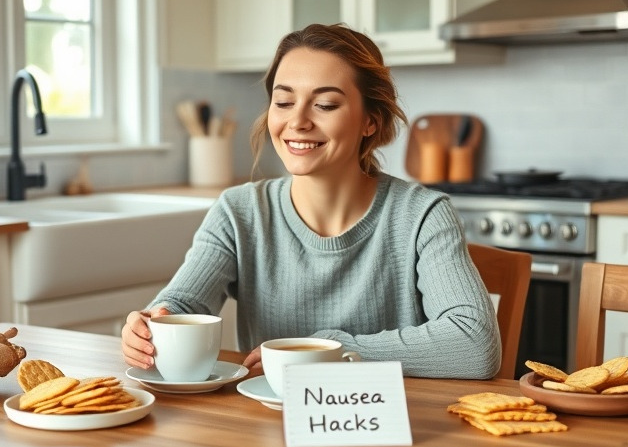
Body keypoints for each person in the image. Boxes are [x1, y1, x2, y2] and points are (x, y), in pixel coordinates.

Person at [122, 23, 500, 379]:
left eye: (326, 105)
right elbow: (182, 307)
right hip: (269, 427)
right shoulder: (239, 212)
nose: (298, 121)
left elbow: (475, 344)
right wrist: (150, 324)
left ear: (370, 120)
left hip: (383, 431)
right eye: (283, 102)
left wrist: (337, 351)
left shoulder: (423, 215)